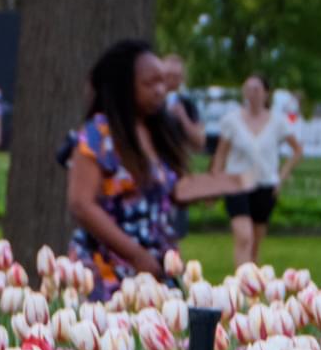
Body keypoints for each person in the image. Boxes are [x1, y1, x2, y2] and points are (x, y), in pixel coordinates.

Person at [64, 39, 241, 296]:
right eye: (150, 83)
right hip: (107, 269)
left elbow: (171, 191)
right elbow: (81, 204)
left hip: (156, 264)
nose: (160, 90)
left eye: (163, 83)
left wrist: (226, 183)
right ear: (124, 85)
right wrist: (136, 255)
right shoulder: (99, 134)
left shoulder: (157, 131)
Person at [213, 74, 303, 269]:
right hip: (237, 183)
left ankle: (252, 287)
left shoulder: (278, 122)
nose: (252, 94)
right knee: (244, 237)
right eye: (248, 89)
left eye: (256, 89)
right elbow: (221, 154)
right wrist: (214, 181)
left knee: (255, 243)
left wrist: (281, 176)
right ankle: (239, 285)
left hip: (265, 183)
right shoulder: (232, 121)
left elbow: (297, 150)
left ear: (265, 93)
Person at [159, 54, 205, 153]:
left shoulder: (187, 104)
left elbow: (199, 143)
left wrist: (183, 117)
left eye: (176, 77)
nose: (171, 80)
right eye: (167, 75)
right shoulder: (150, 102)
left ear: (182, 79)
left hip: (178, 160)